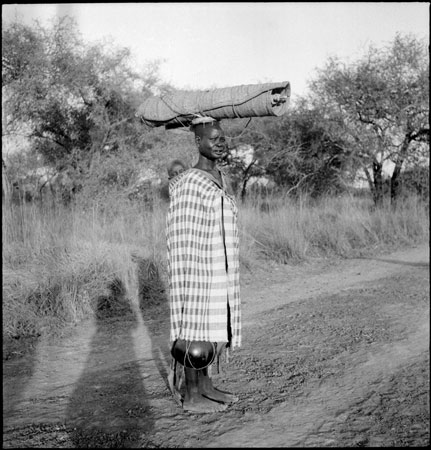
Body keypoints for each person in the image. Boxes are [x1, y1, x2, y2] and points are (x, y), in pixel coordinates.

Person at [166, 117, 241, 413]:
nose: (220, 143)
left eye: (223, 138)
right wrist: (193, 272)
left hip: (219, 262)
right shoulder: (189, 182)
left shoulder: (221, 176)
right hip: (196, 266)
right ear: (198, 143)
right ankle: (192, 395)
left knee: (212, 326)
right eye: (213, 138)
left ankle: (207, 386)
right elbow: (181, 233)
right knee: (194, 328)